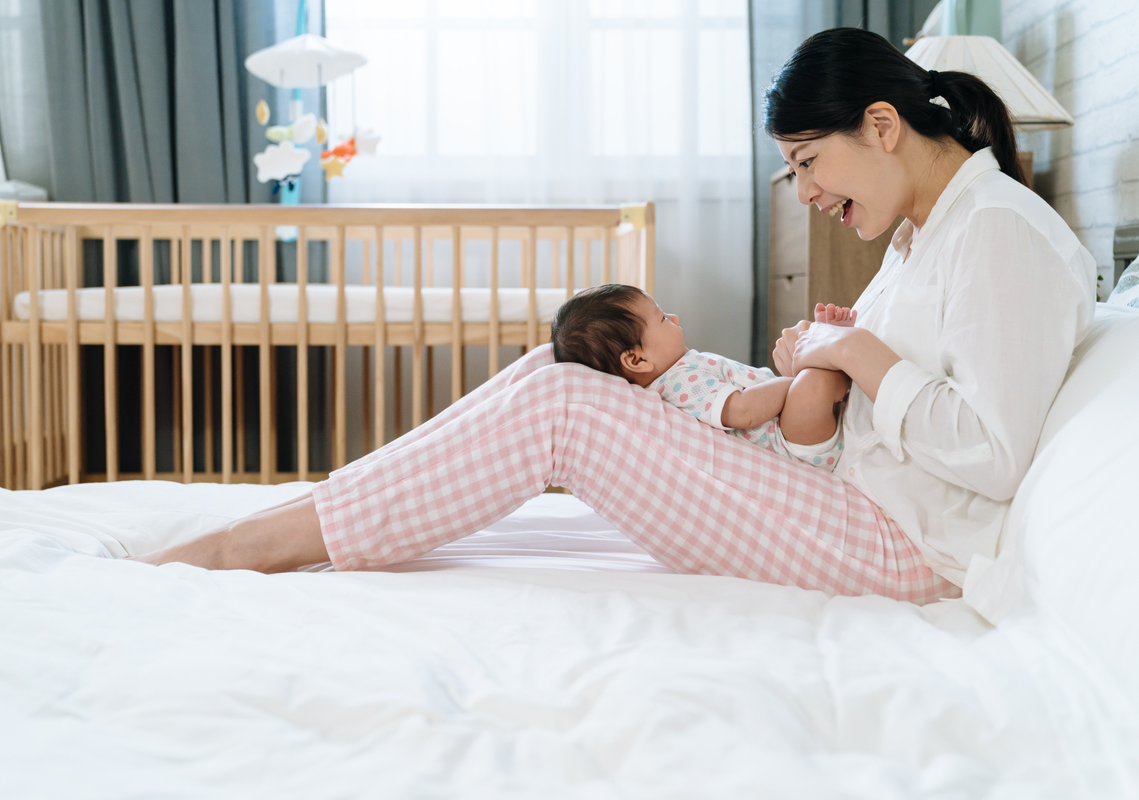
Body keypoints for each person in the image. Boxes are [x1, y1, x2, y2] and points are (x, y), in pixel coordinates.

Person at [131, 28, 1096, 606]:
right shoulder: (929, 232)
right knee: (559, 375)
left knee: (566, 408)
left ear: (881, 126)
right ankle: (314, 509)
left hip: (898, 543)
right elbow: (890, 377)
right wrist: (831, 352)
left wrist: (855, 348)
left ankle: (257, 545)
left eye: (808, 161)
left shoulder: (999, 231)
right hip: (845, 491)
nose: (803, 191)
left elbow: (995, 454)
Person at [549, 283, 849, 471]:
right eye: (663, 318)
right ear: (637, 360)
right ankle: (834, 364)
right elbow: (742, 411)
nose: (675, 318)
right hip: (789, 443)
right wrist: (792, 383)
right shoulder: (677, 385)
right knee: (811, 387)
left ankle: (829, 363)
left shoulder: (681, 370)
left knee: (809, 377)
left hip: (789, 422)